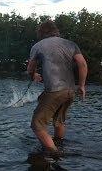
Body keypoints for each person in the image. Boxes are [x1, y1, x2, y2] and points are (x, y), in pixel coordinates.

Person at [27, 20, 88, 154]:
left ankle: (55, 153)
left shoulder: (37, 46)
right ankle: (59, 145)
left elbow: (30, 69)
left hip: (54, 91)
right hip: (70, 91)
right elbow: (82, 64)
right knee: (59, 121)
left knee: (37, 125)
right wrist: (82, 85)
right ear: (56, 31)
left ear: (41, 32)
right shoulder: (71, 44)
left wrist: (34, 76)